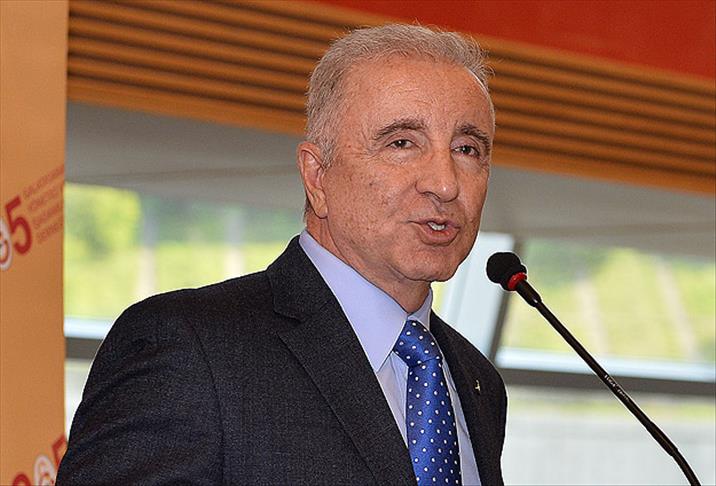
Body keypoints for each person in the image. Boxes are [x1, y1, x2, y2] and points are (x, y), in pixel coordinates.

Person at [57, 24, 506, 486]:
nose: (445, 184)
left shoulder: (476, 380)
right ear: (316, 177)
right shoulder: (189, 347)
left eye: (467, 149)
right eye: (402, 143)